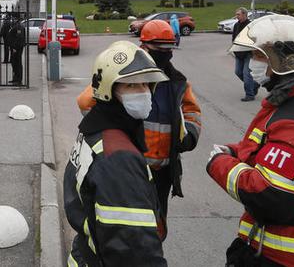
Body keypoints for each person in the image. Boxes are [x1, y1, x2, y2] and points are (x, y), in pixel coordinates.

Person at [207, 14, 294, 266]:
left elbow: (272, 198)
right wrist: (235, 151)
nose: (253, 63)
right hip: (282, 246)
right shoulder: (293, 102)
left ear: (285, 61)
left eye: (260, 56)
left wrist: (219, 164)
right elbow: (267, 147)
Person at [76, 19, 202, 241]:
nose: (165, 54)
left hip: (163, 169)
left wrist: (190, 134)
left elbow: (192, 111)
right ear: (144, 47)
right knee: (130, 226)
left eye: (168, 48)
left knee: (156, 221)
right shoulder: (121, 77)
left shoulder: (177, 82)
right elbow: (88, 101)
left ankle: (151, 249)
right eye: (159, 49)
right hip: (130, 165)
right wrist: (111, 133)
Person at [64, 41, 168, 267]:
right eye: (130, 86)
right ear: (108, 91)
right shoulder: (119, 156)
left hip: (86, 252)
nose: (143, 92)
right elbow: (133, 249)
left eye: (145, 84)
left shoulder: (95, 128)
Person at [232, 7, 259, 102]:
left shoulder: (250, 25)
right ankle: (254, 85)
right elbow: (234, 39)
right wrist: (234, 49)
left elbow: (255, 39)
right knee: (238, 72)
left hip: (249, 54)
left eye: (238, 14)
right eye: (236, 14)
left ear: (244, 15)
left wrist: (254, 52)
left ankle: (250, 95)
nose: (236, 16)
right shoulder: (236, 25)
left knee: (246, 74)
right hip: (239, 53)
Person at [3, 12, 26, 85]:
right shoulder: (15, 25)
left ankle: (19, 79)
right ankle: (15, 78)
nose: (11, 19)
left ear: (16, 18)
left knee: (17, 63)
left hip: (17, 48)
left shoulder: (19, 26)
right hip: (14, 48)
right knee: (14, 63)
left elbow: (19, 37)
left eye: (13, 18)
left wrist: (14, 47)